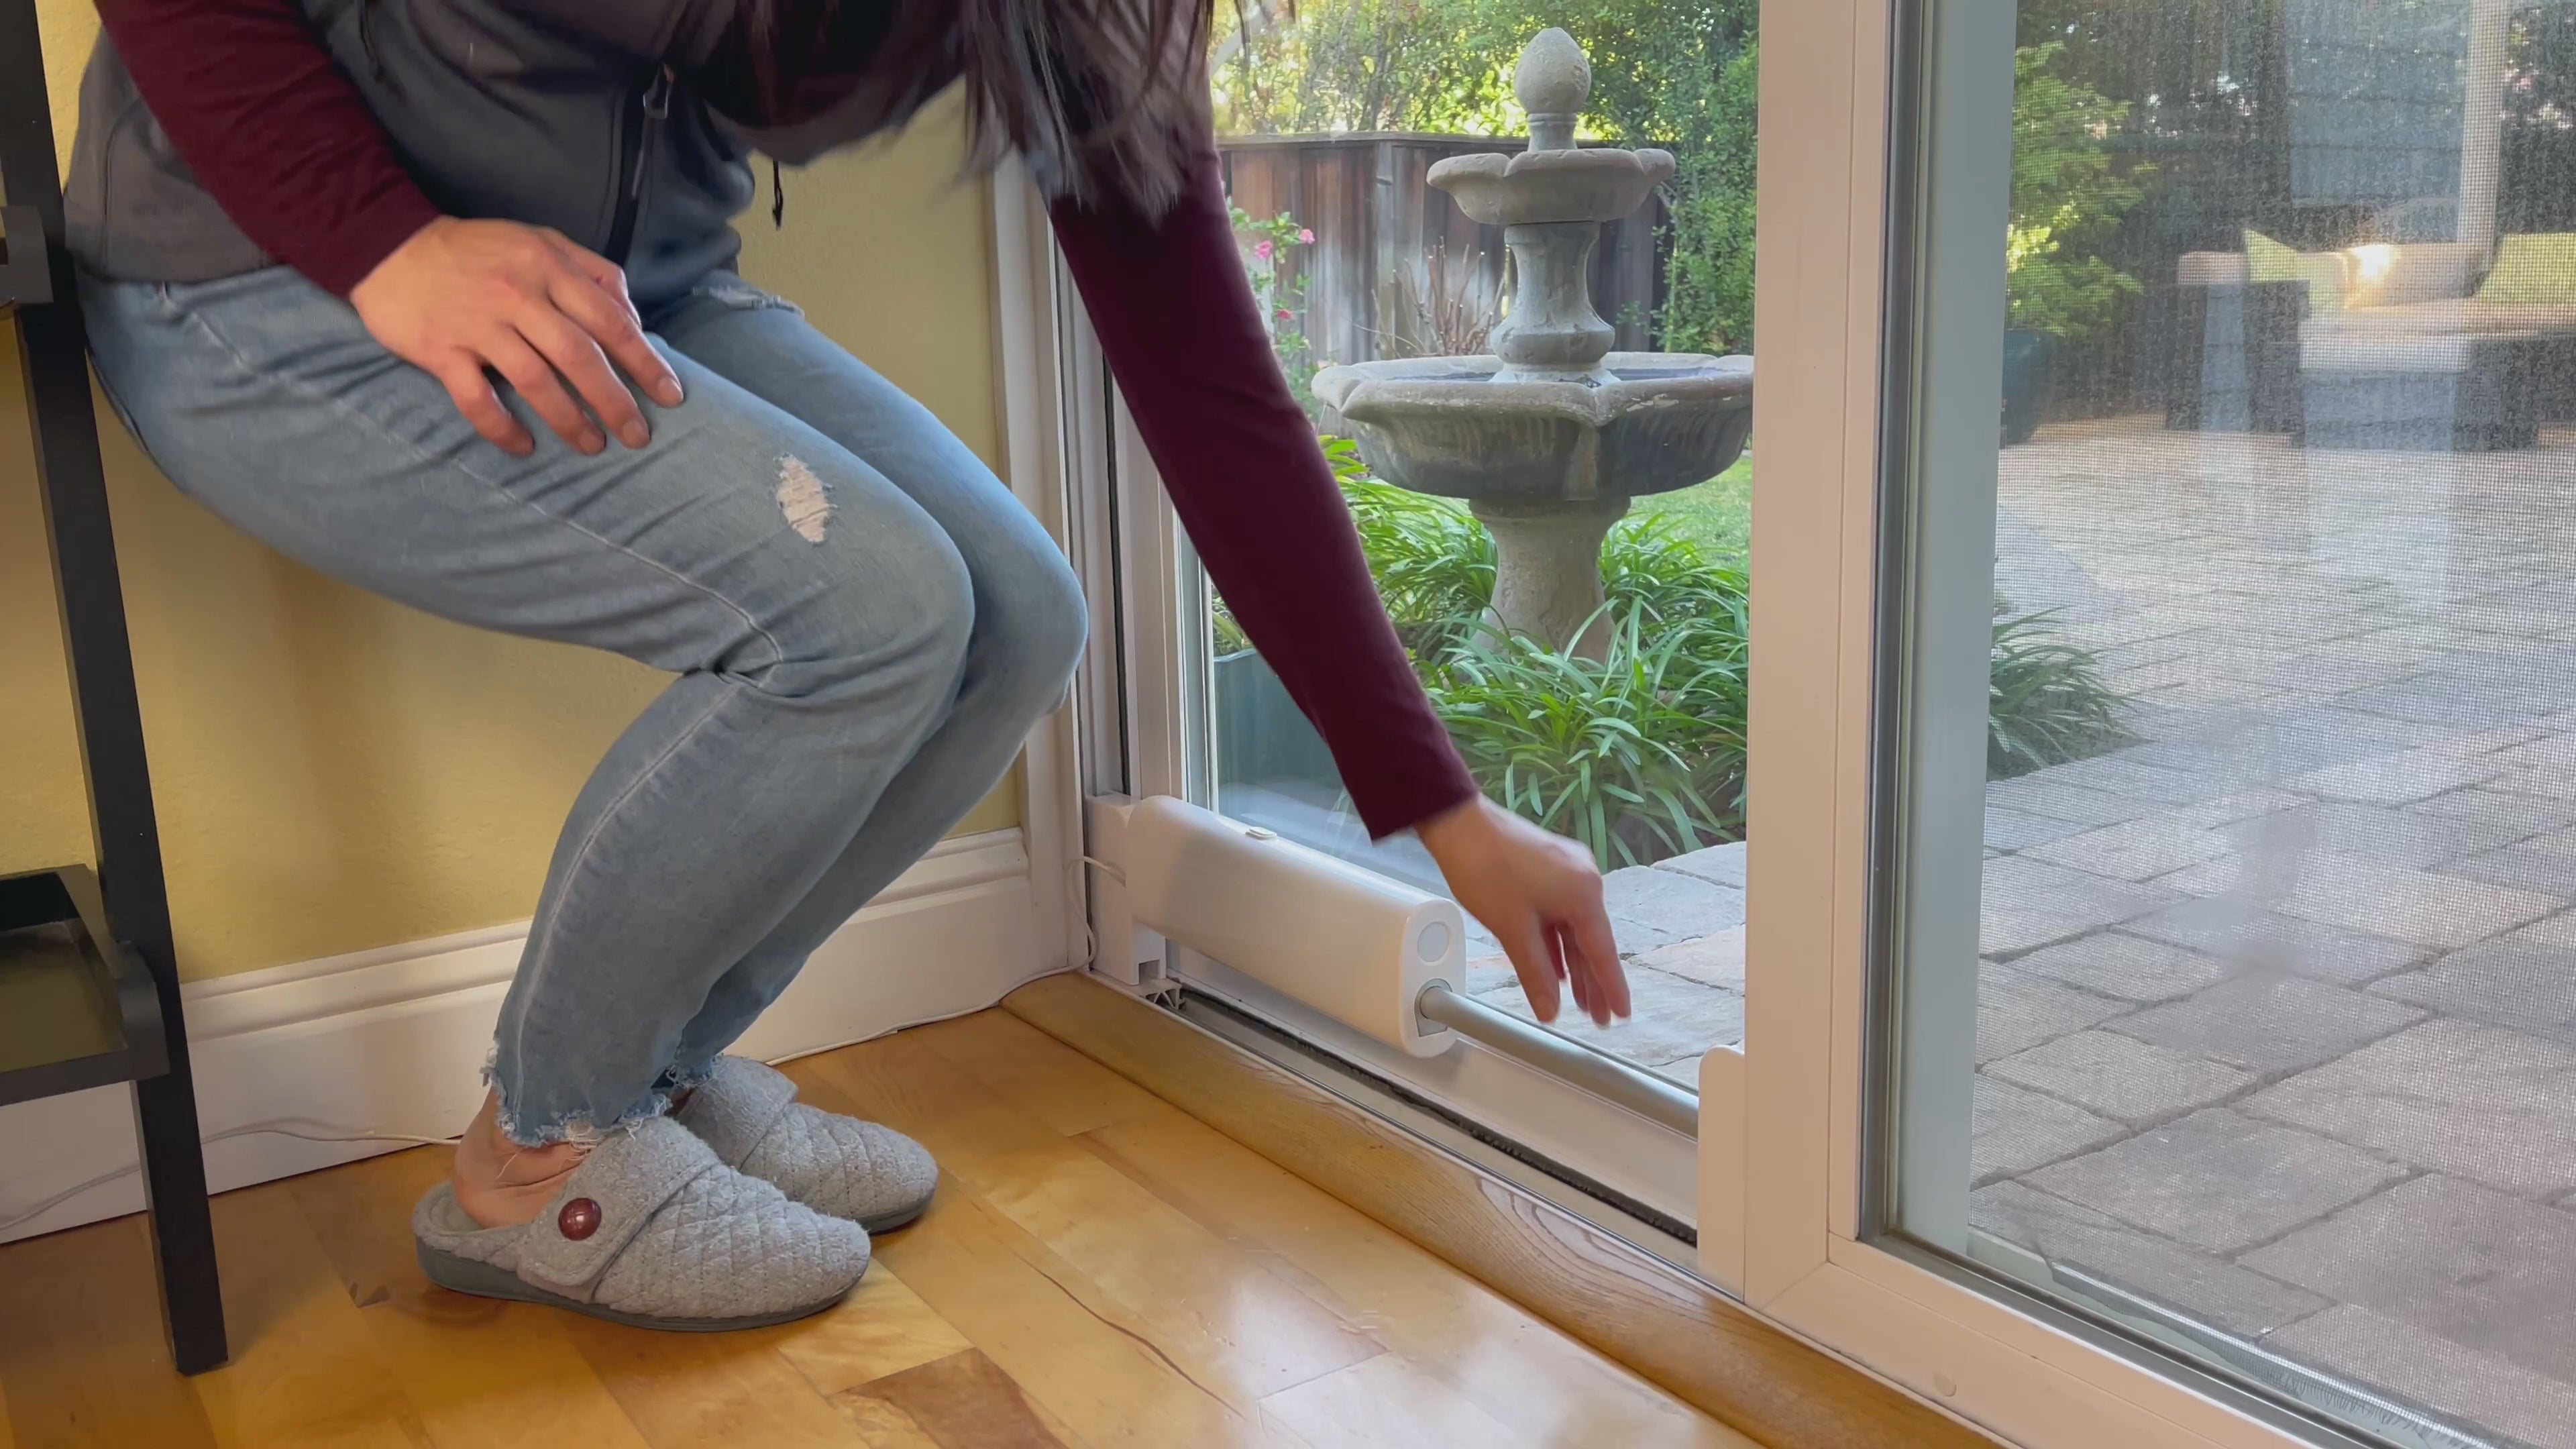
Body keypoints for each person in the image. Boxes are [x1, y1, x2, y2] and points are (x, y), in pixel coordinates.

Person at [68, 0, 1634, 1330]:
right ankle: (541, 1156)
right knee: (863, 615)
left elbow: (1213, 389)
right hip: (258, 280)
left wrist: (1443, 811)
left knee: (1021, 615)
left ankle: (655, 1078)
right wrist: (384, 246)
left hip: (627, 283)